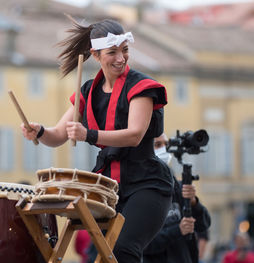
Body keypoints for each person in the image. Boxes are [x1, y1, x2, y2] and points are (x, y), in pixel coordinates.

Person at [21, 16, 173, 262]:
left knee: (122, 249)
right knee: (102, 253)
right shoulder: (88, 90)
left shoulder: (142, 87)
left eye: (125, 50)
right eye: (112, 52)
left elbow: (135, 135)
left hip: (148, 184)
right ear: (95, 55)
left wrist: (89, 134)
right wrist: (39, 132)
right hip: (110, 188)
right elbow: (59, 135)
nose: (121, 58)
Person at [142, 133, 211, 263]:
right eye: (157, 145)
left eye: (166, 145)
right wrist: (177, 230)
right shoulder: (140, 191)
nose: (164, 149)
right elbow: (143, 245)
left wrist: (194, 202)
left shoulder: (177, 187)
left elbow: (204, 225)